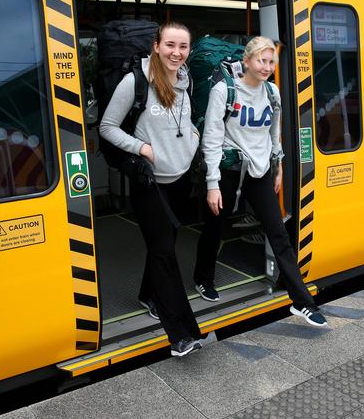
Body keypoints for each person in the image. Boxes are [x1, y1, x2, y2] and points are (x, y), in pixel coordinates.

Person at [193, 36, 327, 327]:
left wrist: (277, 165)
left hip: (260, 172)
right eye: (260, 61)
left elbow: (272, 132)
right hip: (228, 170)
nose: (266, 67)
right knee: (216, 227)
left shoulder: (272, 92)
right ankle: (202, 278)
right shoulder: (224, 90)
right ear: (247, 61)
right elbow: (212, 139)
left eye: (270, 62)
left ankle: (302, 302)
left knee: (278, 233)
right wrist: (212, 184)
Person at [100, 21, 203, 356]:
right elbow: (107, 127)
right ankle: (181, 334)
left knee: (167, 244)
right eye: (170, 45)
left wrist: (193, 139)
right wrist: (140, 148)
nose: (177, 53)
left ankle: (147, 295)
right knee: (164, 253)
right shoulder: (136, 82)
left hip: (179, 176)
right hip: (149, 181)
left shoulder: (185, 79)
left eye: (183, 47)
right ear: (156, 45)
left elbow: (182, 121)